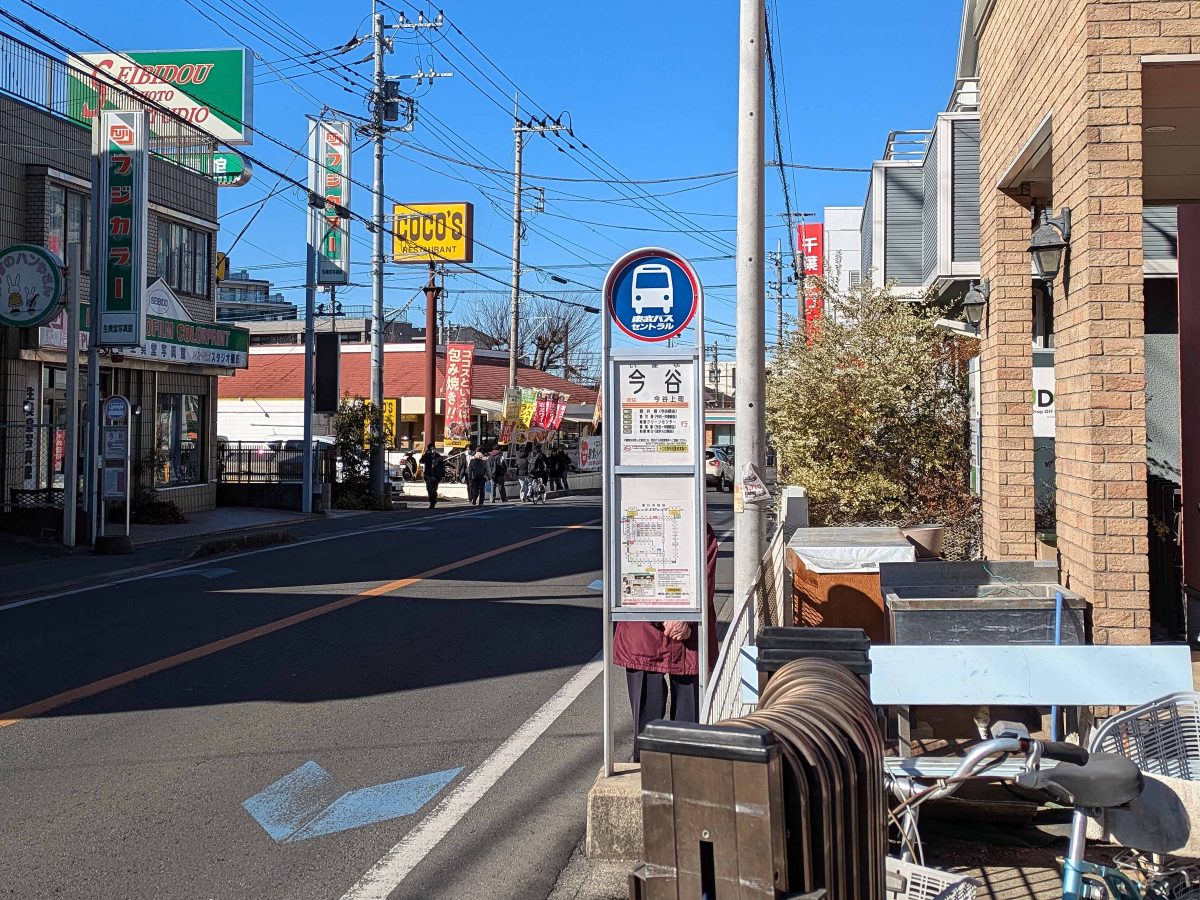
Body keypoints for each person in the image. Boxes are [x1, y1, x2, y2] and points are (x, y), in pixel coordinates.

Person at [613, 523, 720, 762]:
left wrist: (685, 617)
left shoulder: (698, 525)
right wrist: (675, 617)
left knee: (687, 726)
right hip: (647, 634)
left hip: (684, 637)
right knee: (648, 724)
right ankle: (648, 774)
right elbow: (624, 576)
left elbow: (706, 574)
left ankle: (683, 775)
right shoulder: (630, 523)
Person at [418, 444, 445, 509]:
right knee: (429, 490)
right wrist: (425, 454)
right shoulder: (427, 456)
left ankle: (433, 502)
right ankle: (431, 500)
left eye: (433, 449)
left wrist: (443, 475)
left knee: (434, 489)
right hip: (428, 475)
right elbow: (421, 461)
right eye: (431, 449)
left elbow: (442, 467)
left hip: (436, 476)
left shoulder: (438, 457)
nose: (432, 450)